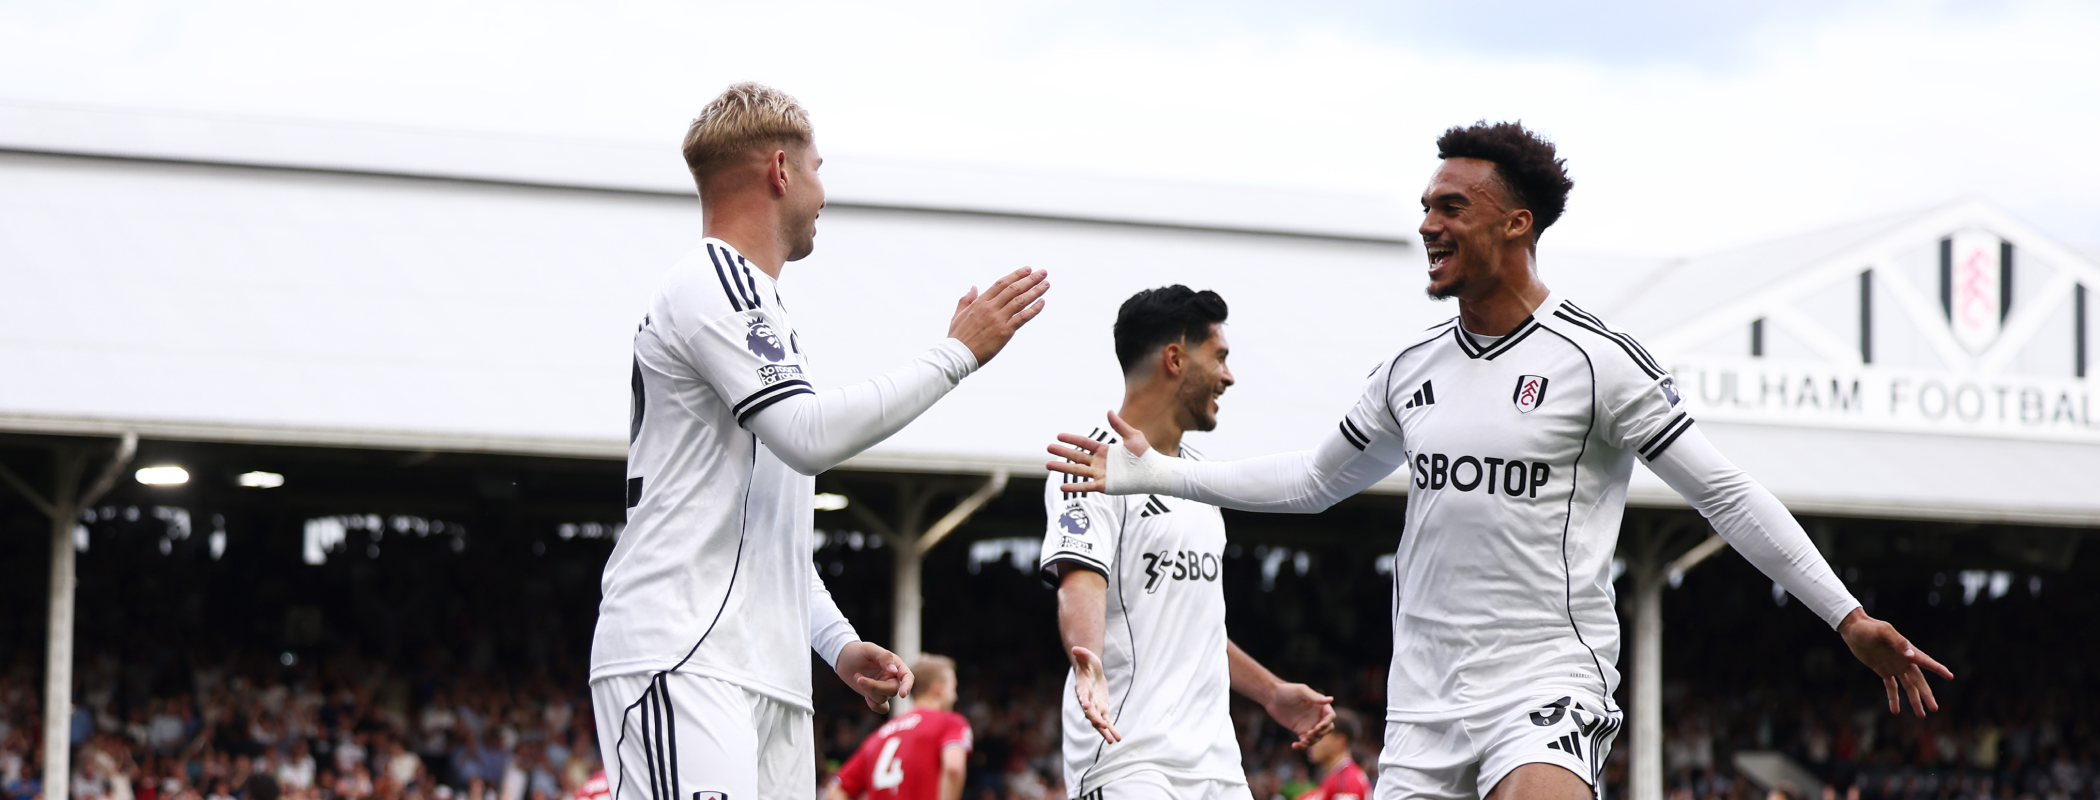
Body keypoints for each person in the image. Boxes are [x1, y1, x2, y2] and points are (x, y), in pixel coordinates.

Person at [1047, 121, 1952, 800]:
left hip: (1547, 679)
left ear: (1516, 224)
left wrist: (1845, 616)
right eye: (1426, 209)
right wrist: (1159, 475)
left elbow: (1725, 493)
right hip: (1425, 700)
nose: (1429, 226)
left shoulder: (1598, 361)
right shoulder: (1410, 373)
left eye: (1451, 208)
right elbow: (1314, 481)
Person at [590, 82, 1049, 800]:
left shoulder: (760, 310)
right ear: (780, 171)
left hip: (762, 672)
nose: (823, 192)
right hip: (684, 655)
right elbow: (809, 436)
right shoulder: (715, 281)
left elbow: (764, 526)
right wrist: (956, 353)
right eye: (818, 168)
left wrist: (836, 644)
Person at [1041, 287, 1336, 800]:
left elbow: (1193, 622)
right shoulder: (1089, 462)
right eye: (1219, 356)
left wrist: (1271, 692)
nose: (1229, 376)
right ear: (1175, 358)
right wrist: (1085, 656)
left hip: (1217, 765)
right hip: (1130, 758)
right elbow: (1081, 580)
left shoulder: (1197, 479)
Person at [825, 655, 973, 800]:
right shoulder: (950, 722)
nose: (955, 697)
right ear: (938, 689)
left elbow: (836, 792)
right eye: (953, 689)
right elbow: (953, 767)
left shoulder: (878, 736)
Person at [1295, 710, 1370, 800]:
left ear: (1339, 741)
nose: (1312, 743)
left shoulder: (1345, 782)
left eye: (1319, 737)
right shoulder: (1334, 780)